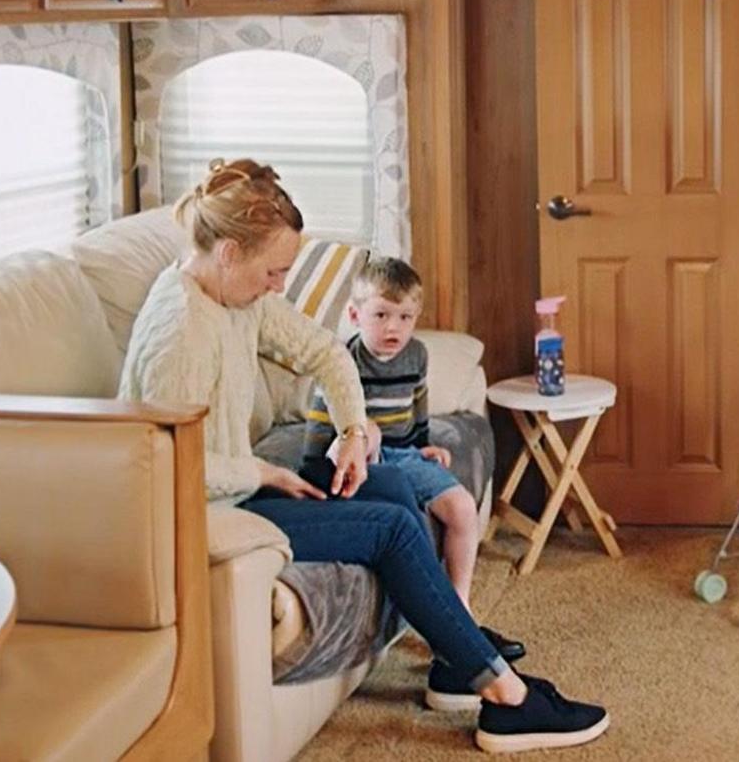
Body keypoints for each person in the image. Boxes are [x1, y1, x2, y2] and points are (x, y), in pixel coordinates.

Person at [119, 158, 609, 754]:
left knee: (392, 490)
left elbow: (326, 351)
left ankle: (458, 663)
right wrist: (265, 471)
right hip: (201, 512)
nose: (279, 284)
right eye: (274, 270)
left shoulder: (234, 297)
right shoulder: (182, 333)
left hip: (236, 488)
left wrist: (354, 432)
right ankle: (507, 699)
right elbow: (167, 468)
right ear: (228, 252)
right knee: (392, 528)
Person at [300, 257, 514, 652]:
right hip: (356, 456)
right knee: (372, 431)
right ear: (355, 314)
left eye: (405, 316)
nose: (393, 327)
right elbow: (319, 430)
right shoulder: (342, 361)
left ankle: (459, 608)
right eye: (381, 314)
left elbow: (418, 403)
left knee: (462, 509)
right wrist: (321, 464)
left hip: (404, 454)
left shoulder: (416, 355)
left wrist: (422, 444)